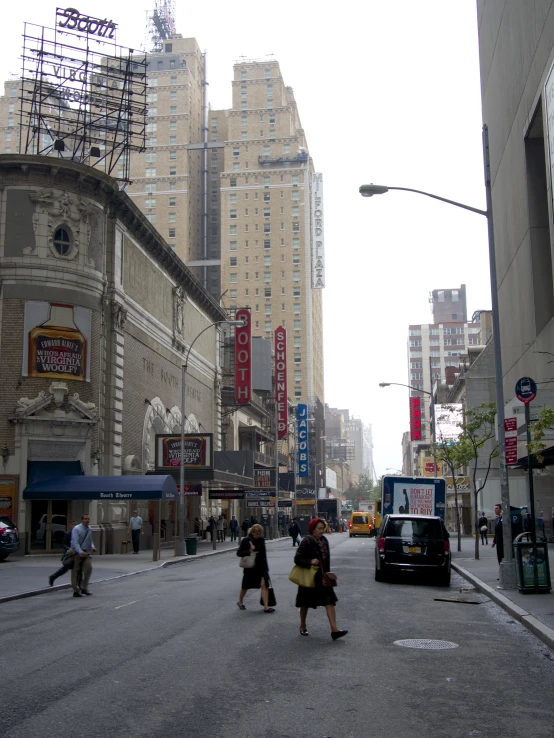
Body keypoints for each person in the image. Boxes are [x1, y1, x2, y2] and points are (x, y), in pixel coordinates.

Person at [294, 517, 347, 640]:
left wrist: (328, 573)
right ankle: (303, 625)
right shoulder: (306, 541)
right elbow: (297, 559)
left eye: (322, 528)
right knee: (305, 603)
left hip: (322, 578)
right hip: (309, 577)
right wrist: (310, 561)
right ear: (312, 529)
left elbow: (326, 560)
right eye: (319, 528)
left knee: (329, 601)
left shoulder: (324, 541)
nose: (321, 531)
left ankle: (334, 630)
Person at [236, 523, 274, 613]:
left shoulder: (261, 540)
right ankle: (240, 600)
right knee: (246, 586)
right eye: (257, 534)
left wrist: (266, 567)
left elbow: (264, 554)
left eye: (260, 534)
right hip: (251, 567)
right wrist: (249, 551)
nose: (258, 536)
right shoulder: (246, 540)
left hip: (261, 566)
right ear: (253, 532)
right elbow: (239, 553)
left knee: (264, 585)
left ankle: (266, 607)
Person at [70, 513, 96, 597]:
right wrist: (80, 552)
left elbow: (90, 540)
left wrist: (92, 547)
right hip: (77, 552)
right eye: (85, 519)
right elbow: (75, 542)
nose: (87, 520)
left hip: (86, 552)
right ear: (82, 520)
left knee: (89, 568)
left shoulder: (89, 529)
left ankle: (84, 588)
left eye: (88, 519)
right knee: (75, 572)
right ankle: (76, 590)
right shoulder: (76, 529)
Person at [48, 520, 77, 587]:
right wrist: (68, 549)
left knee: (78, 568)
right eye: (73, 524)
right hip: (69, 554)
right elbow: (63, 544)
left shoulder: (78, 533)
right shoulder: (67, 534)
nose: (74, 526)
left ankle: (78, 583)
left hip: (77, 553)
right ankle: (53, 577)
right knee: (65, 568)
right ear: (70, 525)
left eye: (76, 525)